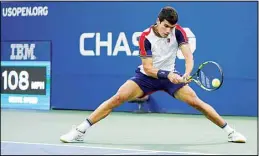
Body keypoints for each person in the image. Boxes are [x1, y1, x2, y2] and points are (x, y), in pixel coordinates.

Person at [60, 6, 246, 143]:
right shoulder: (145, 37)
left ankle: (230, 131)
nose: (168, 31)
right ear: (158, 21)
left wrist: (187, 73)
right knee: (117, 98)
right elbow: (148, 68)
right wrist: (167, 74)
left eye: (172, 28)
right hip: (147, 78)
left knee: (197, 102)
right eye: (166, 26)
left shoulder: (178, 32)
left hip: (171, 77)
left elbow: (189, 57)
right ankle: (79, 130)